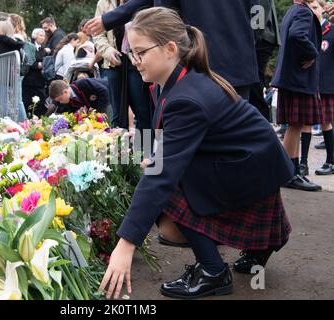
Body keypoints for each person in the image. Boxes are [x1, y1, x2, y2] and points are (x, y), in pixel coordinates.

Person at [98, 7, 293, 300]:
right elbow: (168, 148)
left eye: (140, 52)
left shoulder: (185, 97)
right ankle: (259, 245)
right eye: (131, 54)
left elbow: (162, 176)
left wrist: (126, 244)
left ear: (170, 48)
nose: (134, 61)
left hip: (252, 169)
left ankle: (213, 271)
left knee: (168, 185)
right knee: (161, 168)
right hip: (248, 162)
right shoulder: (176, 80)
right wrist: (155, 157)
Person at [85, 0, 259, 99]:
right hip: (239, 60)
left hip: (192, 62)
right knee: (234, 136)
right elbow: (256, 11)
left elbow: (164, 17)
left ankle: (152, 159)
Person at [271, 0, 323, 191]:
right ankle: (289, 174)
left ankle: (291, 172)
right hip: (298, 79)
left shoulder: (292, 11)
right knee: (295, 125)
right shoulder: (304, 13)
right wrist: (312, 53)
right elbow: (296, 35)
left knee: (295, 125)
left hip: (291, 78)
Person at [93, 0, 152, 137]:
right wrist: (107, 51)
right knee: (118, 113)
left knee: (143, 111)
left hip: (137, 61)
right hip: (114, 63)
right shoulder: (103, 3)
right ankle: (119, 154)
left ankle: (145, 154)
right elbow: (98, 35)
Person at [299, 0, 334, 176]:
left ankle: (331, 161)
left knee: (326, 122)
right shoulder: (306, 28)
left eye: (315, 8)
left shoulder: (331, 30)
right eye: (309, 8)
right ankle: (303, 163)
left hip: (327, 84)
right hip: (310, 83)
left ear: (323, 9)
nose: (312, 11)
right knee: (306, 121)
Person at [250, 0, 281, 120]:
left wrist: (253, 36)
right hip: (261, 35)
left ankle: (260, 124)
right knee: (254, 84)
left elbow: (261, 6)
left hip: (261, 37)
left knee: (254, 84)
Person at [22, 28, 48, 117]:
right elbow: (28, 61)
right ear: (35, 36)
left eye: (44, 36)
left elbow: (47, 62)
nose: (43, 37)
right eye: (41, 35)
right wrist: (37, 65)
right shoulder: (29, 47)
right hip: (29, 79)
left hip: (40, 79)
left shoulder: (44, 49)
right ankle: (28, 117)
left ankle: (39, 118)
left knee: (40, 100)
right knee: (28, 100)